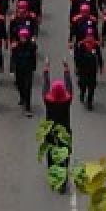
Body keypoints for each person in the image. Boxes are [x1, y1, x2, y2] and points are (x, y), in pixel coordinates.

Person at [43, 61, 75, 193]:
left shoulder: (48, 101)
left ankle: (53, 176)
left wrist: (46, 70)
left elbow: (45, 86)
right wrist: (66, 70)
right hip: (64, 133)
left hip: (50, 132)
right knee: (64, 155)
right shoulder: (67, 101)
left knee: (51, 155)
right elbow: (69, 86)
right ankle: (63, 180)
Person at [10, 28, 38, 117]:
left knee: (28, 87)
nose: (23, 39)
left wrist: (34, 67)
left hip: (28, 69)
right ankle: (22, 97)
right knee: (19, 84)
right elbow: (13, 58)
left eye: (25, 37)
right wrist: (12, 69)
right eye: (21, 37)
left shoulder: (32, 46)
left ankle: (28, 108)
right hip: (19, 69)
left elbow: (34, 57)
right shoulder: (15, 46)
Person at [73, 32, 103, 110]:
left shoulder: (95, 45)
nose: (90, 39)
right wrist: (77, 67)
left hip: (92, 70)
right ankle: (82, 93)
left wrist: (100, 66)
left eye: (91, 37)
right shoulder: (81, 45)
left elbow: (99, 56)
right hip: (83, 69)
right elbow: (77, 57)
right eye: (88, 37)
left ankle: (89, 102)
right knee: (83, 84)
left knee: (91, 86)